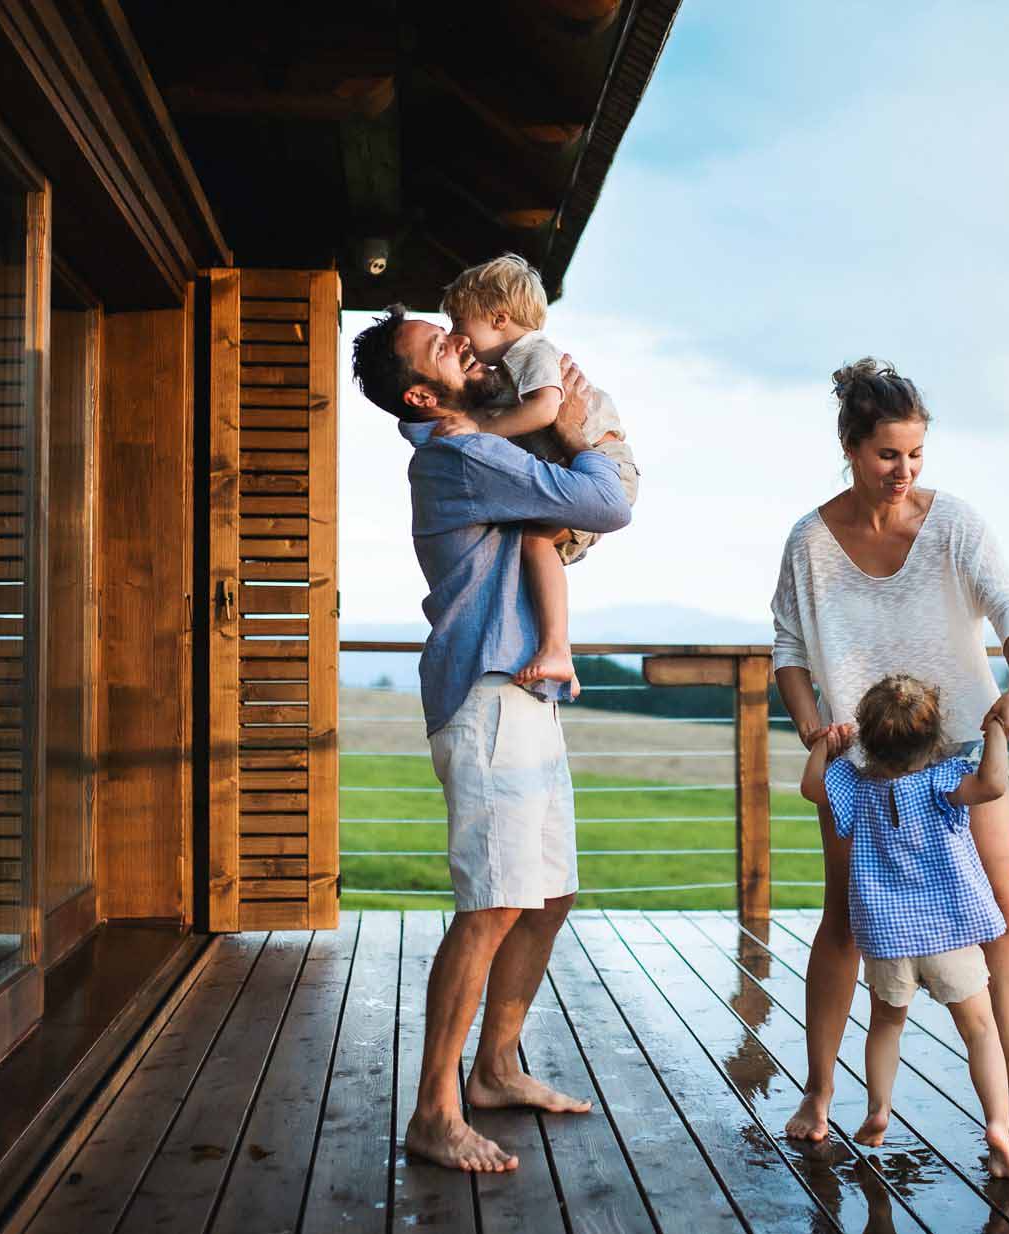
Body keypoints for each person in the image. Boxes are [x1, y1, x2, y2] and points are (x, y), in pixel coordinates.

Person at [350, 305, 632, 1173]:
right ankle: (435, 1111)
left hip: (524, 693)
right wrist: (579, 426)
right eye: (444, 344)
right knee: (493, 906)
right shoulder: (462, 451)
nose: (464, 341)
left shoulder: (477, 444)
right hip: (489, 696)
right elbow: (607, 502)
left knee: (546, 897)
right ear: (423, 392)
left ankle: (496, 1070)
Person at [770, 357, 1009, 1142]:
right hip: (860, 769)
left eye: (915, 455)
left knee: (1001, 916)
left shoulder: (955, 524)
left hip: (963, 757)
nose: (902, 471)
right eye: (886, 454)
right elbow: (788, 651)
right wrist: (815, 731)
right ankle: (818, 1094)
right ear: (850, 446)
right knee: (841, 921)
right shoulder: (809, 542)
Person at [801, 674, 1009, 1178]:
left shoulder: (853, 786)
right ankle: (997, 1127)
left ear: (866, 740)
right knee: (981, 1031)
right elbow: (993, 785)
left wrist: (824, 747)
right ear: (934, 737)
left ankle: (879, 1109)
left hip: (888, 940)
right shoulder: (944, 780)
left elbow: (811, 787)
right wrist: (997, 736)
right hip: (950, 934)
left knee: (885, 1025)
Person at [439, 253, 640, 695]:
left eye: (459, 323)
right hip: (582, 466)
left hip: (605, 464)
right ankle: (557, 654)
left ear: (499, 317)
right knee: (533, 549)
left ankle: (556, 650)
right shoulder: (508, 368)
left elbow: (547, 410)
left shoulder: (533, 353)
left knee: (534, 543)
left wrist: (479, 429)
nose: (458, 337)